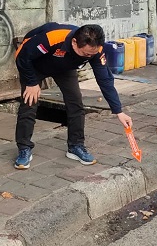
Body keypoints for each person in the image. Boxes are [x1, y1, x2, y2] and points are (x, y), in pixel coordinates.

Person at [13, 23, 133, 169]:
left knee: (76, 103)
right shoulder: (53, 37)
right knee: (29, 104)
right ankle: (24, 149)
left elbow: (105, 80)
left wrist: (118, 110)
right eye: (86, 54)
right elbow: (22, 55)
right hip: (35, 66)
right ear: (74, 42)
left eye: (92, 55)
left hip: (64, 68)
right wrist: (31, 82)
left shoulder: (96, 49)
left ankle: (76, 146)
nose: (89, 57)